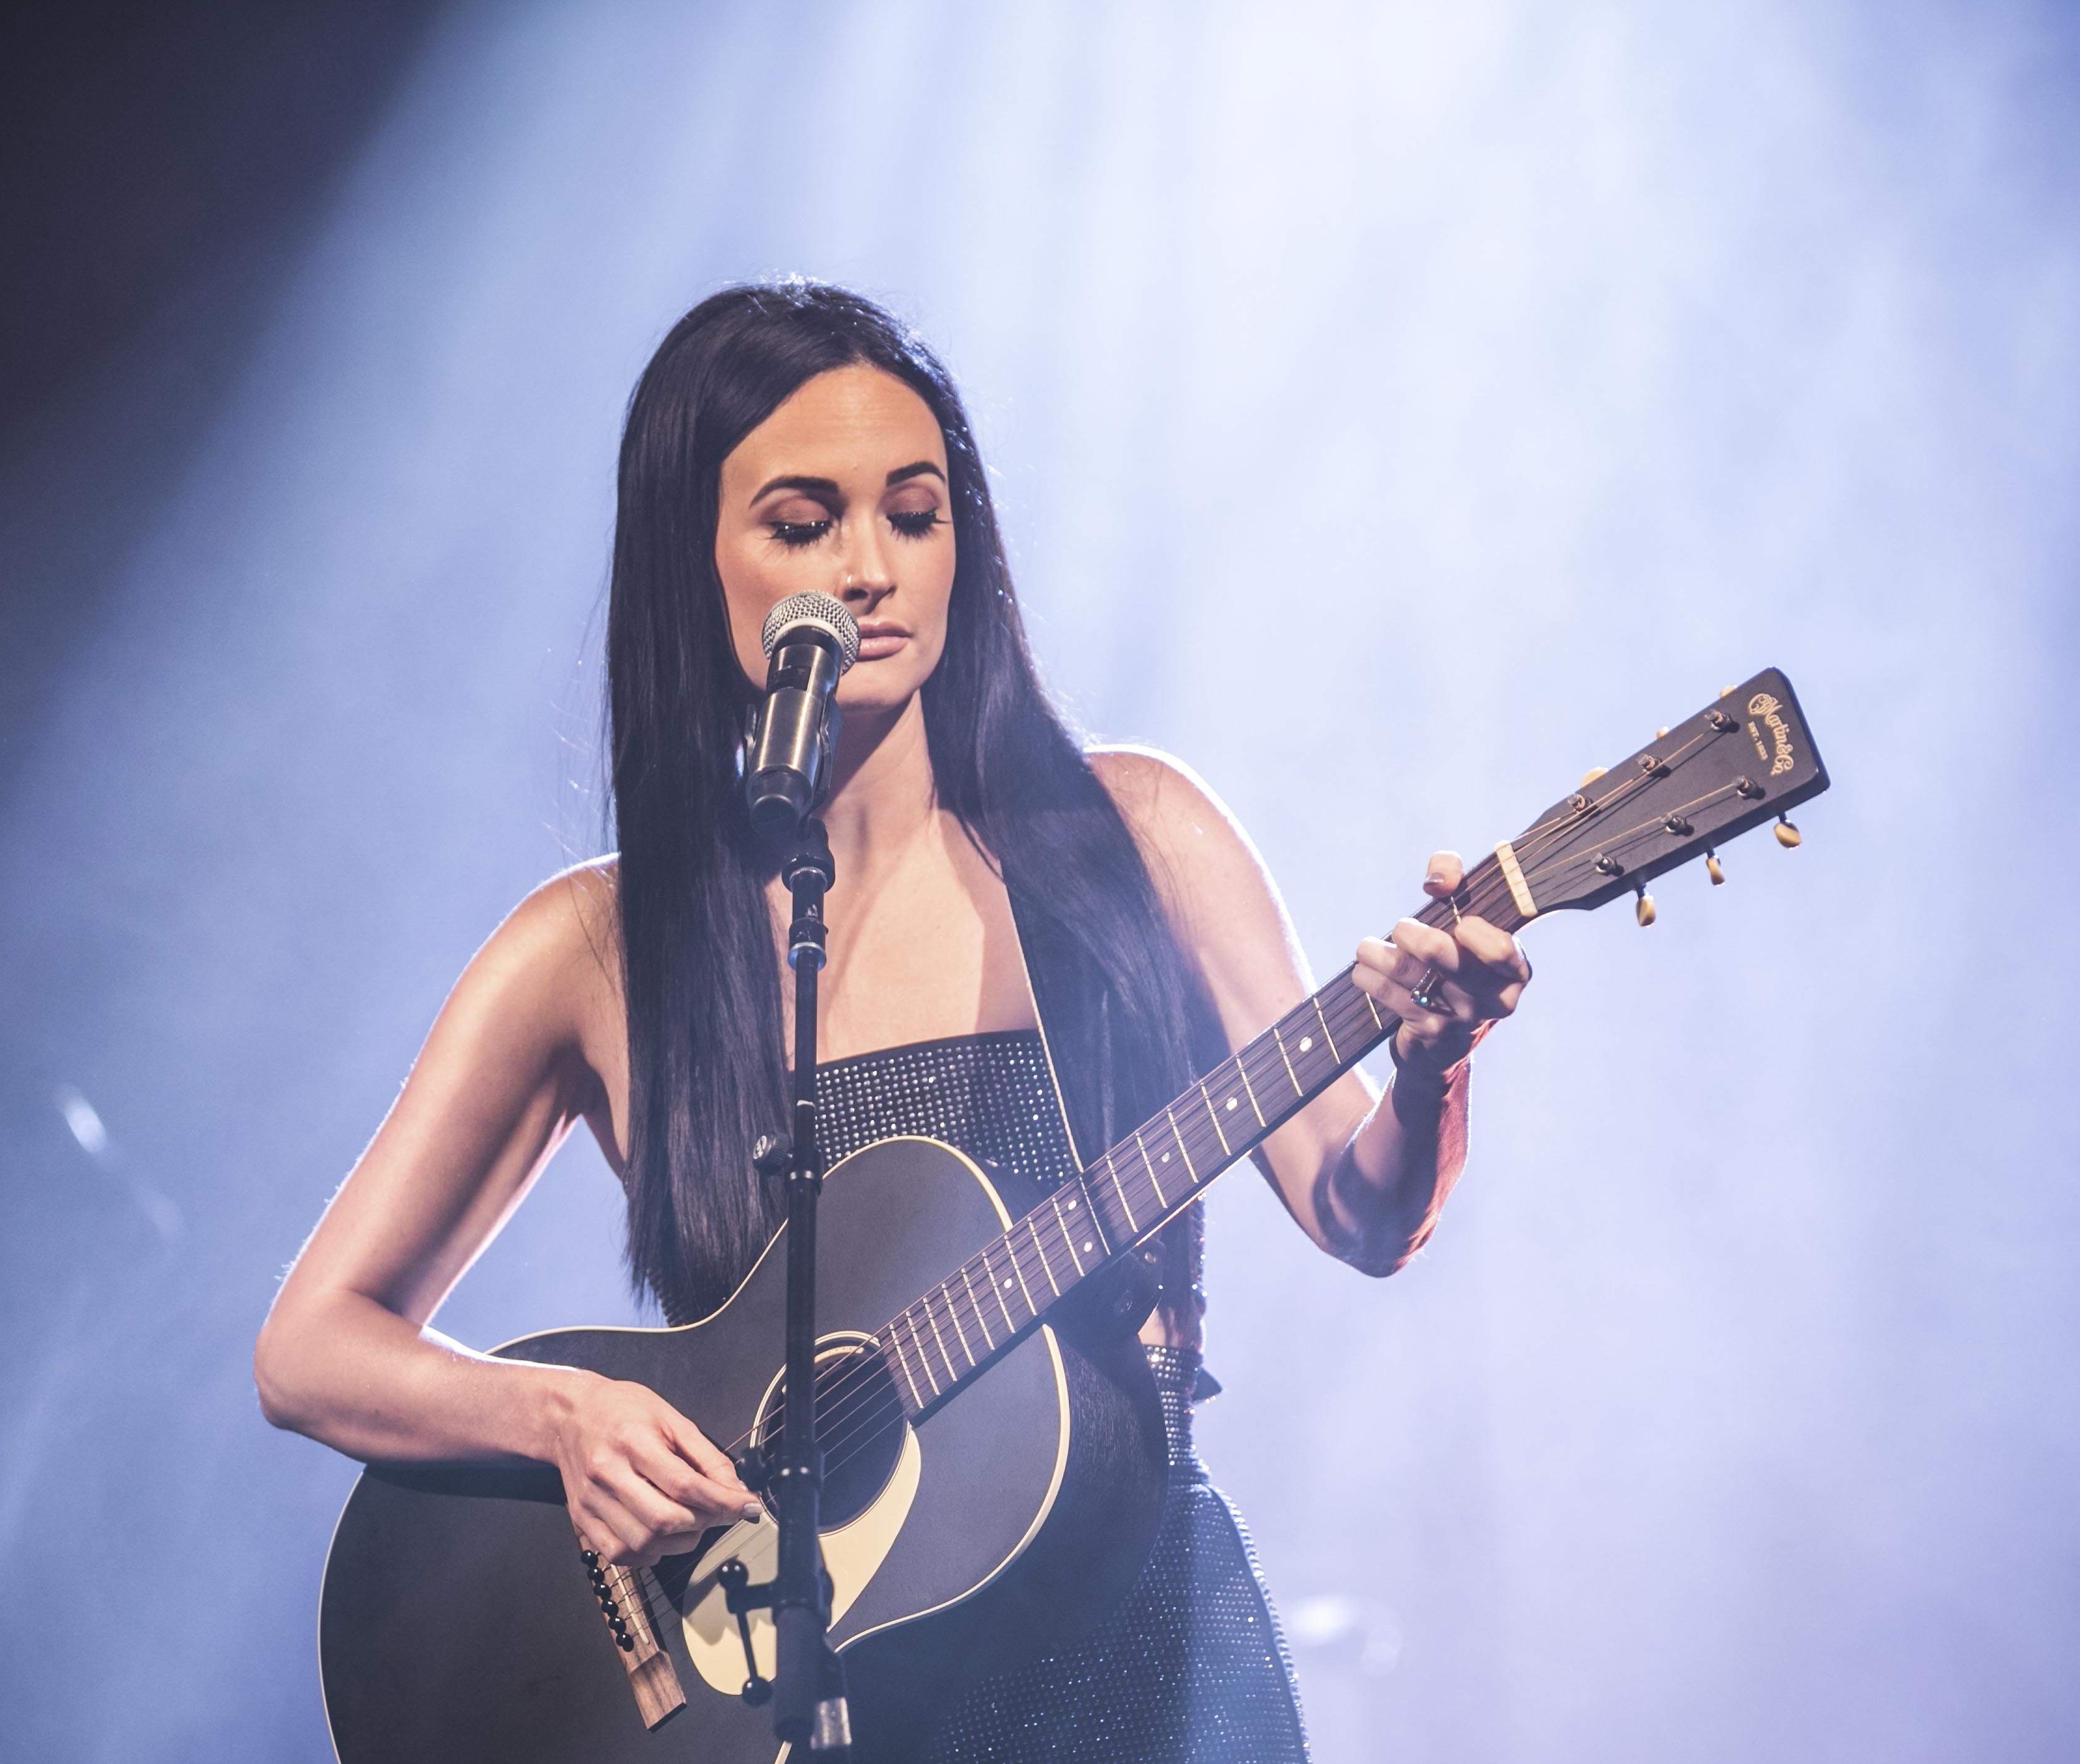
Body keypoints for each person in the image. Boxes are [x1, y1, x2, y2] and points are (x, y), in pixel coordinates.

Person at [254, 281, 1526, 1762]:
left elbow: (1364, 1215)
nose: (868, 569)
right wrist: (565, 1416)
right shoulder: (596, 948)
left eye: (914, 515)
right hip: (801, 1706)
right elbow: (310, 1347)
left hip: (1148, 1664)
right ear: (692, 557)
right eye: (804, 525)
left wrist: (1431, 1071)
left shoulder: (1136, 840)